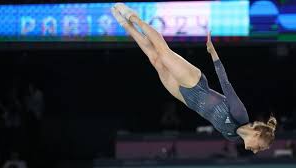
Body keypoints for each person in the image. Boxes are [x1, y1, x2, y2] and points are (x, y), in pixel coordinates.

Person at [111, 3, 277, 154]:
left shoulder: (233, 138)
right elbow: (225, 84)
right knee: (163, 52)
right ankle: (133, 17)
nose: (256, 151)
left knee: (155, 59)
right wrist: (213, 54)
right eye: (260, 147)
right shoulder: (240, 115)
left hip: (186, 99)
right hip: (195, 84)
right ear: (257, 133)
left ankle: (125, 24)